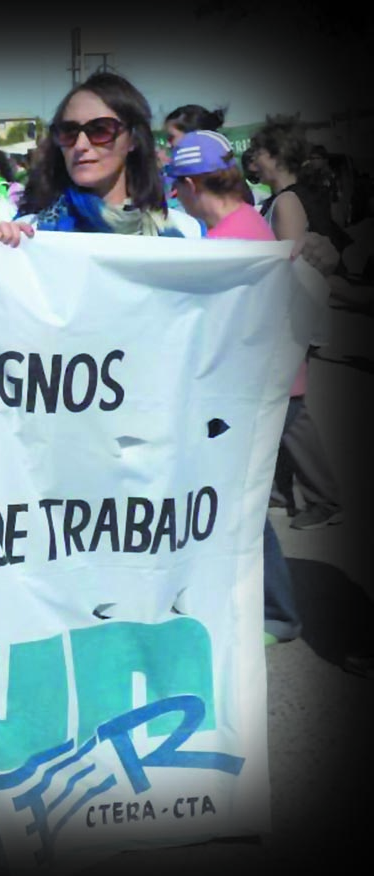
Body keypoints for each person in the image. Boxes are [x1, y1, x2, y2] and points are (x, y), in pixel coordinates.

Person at [166, 129, 302, 643]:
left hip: (256, 393)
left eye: (178, 186)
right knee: (240, 505)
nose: (175, 196)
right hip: (270, 387)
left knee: (241, 508)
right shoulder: (245, 224)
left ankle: (277, 613)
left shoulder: (226, 243)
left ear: (196, 183)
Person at [249, 115, 345, 530]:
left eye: (257, 152)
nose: (251, 159)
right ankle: (279, 491)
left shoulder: (286, 201)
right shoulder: (283, 198)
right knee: (279, 408)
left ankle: (324, 498)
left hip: (291, 320)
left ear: (273, 156)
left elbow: (287, 265)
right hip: (288, 319)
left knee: (291, 411)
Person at [0, 71, 204, 246]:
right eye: (69, 131)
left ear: (133, 140)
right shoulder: (30, 234)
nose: (81, 145)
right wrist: (0, 247)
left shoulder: (188, 234)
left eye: (100, 130)